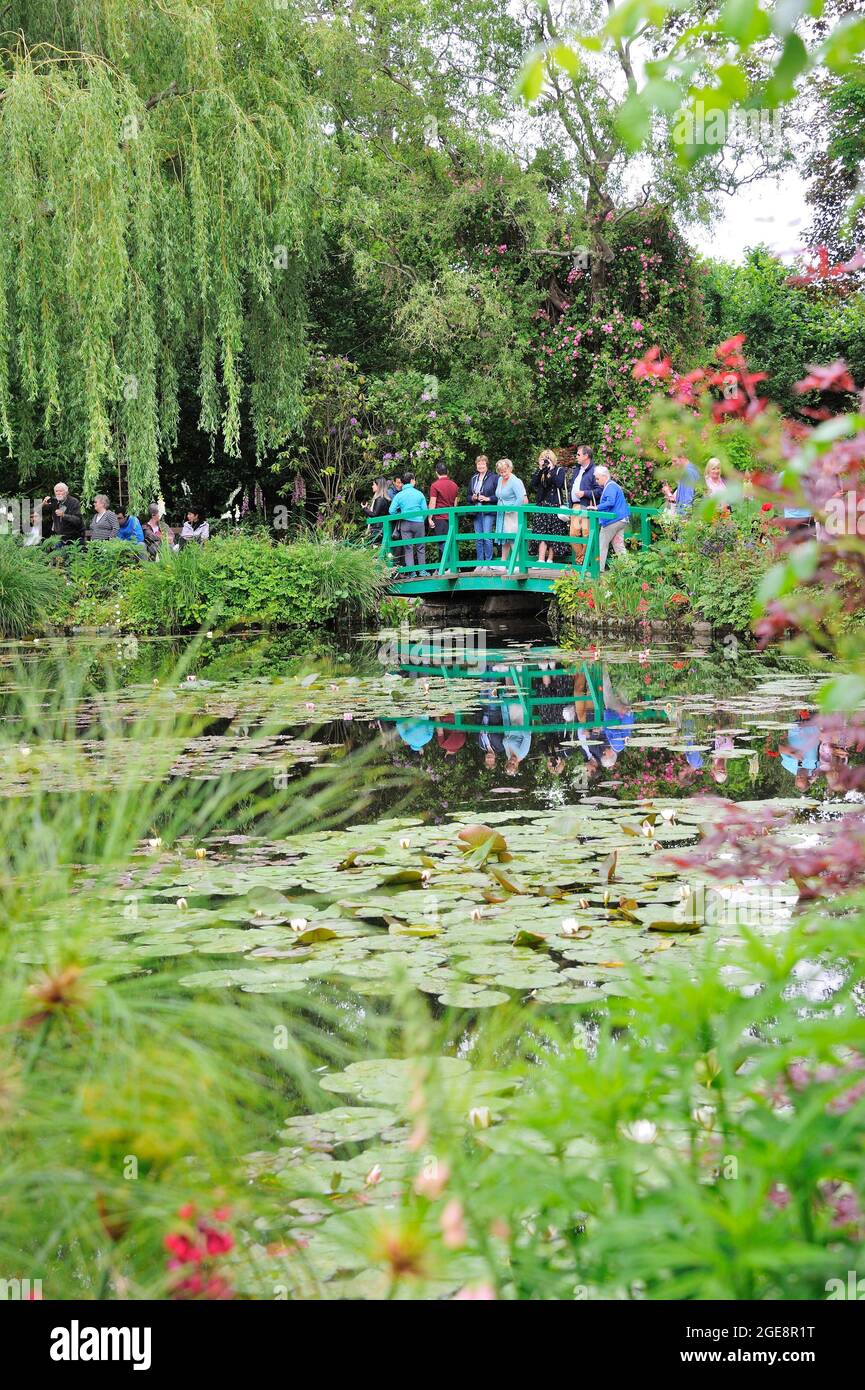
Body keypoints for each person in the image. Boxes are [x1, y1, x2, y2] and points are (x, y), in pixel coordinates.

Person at [529, 449, 568, 563]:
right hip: (542, 506)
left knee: (554, 533)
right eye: (544, 459)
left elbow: (558, 484)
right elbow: (533, 484)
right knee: (541, 534)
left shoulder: (559, 470)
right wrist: (541, 470)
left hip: (554, 505)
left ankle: (550, 559)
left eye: (548, 459)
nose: (546, 461)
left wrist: (551, 469)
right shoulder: (541, 471)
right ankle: (541, 559)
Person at [387, 471, 428, 572]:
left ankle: (411, 572)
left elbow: (391, 511)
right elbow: (425, 511)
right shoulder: (419, 494)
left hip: (405, 523)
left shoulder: (399, 495)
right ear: (412, 481)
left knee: (408, 548)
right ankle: (422, 571)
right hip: (418, 523)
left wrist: (400, 516)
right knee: (420, 547)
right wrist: (421, 519)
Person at [569, 444, 602, 565]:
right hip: (575, 506)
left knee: (587, 534)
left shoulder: (594, 471)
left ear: (586, 456)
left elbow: (600, 491)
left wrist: (585, 493)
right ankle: (582, 558)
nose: (576, 456)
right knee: (573, 535)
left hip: (587, 505)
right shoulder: (576, 470)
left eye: (578, 454)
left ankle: (582, 561)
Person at [594, 465, 630, 571]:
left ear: (604, 476)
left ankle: (598, 570)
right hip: (621, 519)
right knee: (618, 545)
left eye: (597, 478)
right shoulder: (613, 486)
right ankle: (629, 570)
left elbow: (610, 502)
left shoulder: (610, 486)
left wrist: (597, 507)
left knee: (602, 544)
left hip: (613, 520)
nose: (596, 481)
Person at [495, 458, 527, 563]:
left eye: (505, 471)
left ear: (510, 469)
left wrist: (512, 509)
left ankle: (518, 563)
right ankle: (503, 562)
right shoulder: (500, 480)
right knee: (505, 538)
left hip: (512, 514)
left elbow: (520, 498)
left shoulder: (515, 481)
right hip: (502, 513)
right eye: (501, 472)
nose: (503, 474)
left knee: (513, 537)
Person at [468, 454, 498, 564]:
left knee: (487, 537)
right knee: (478, 538)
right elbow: (468, 496)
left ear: (487, 465)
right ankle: (480, 563)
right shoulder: (473, 478)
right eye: (478, 463)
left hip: (488, 510)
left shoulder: (494, 477)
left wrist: (488, 498)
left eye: (482, 463)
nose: (480, 466)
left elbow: (498, 496)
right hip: (476, 510)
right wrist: (473, 497)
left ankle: (488, 562)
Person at [428, 462, 459, 540]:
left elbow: (432, 503)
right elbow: (455, 503)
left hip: (439, 517)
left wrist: (429, 518)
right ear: (447, 472)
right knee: (451, 542)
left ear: (436, 472)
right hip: (451, 518)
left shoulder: (435, 485)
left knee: (442, 543)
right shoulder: (454, 485)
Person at [362, 478, 391, 545]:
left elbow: (374, 514)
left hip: (378, 528)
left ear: (378, 486)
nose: (372, 486)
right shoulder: (385, 499)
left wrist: (365, 508)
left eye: (373, 484)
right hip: (382, 527)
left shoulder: (380, 499)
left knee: (376, 547)